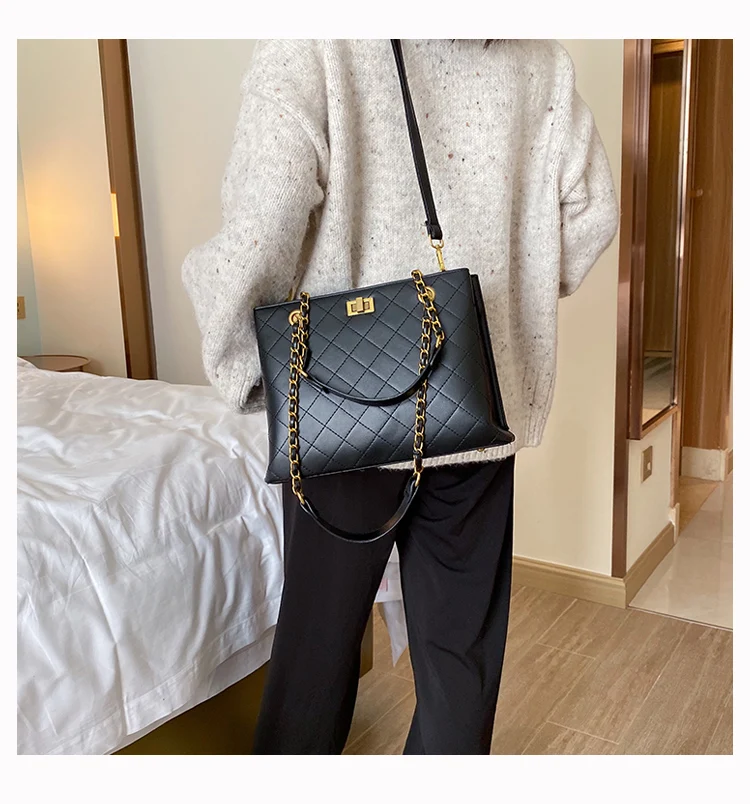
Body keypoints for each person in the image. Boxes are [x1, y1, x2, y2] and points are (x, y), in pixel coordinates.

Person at [182, 39, 619, 755]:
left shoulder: (314, 41)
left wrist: (243, 365)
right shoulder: (540, 62)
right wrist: (509, 307)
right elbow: (591, 211)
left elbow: (264, 220)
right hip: (470, 400)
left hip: (338, 405)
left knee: (315, 651)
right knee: (460, 656)